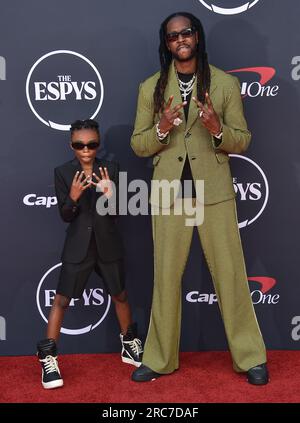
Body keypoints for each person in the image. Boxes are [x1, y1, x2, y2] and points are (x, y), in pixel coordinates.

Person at [130, 12, 269, 385]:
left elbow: (243, 139)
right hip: (169, 194)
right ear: (167, 44)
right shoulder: (152, 88)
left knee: (231, 276)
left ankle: (250, 356)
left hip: (214, 191)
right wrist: (160, 129)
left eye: (186, 32)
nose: (180, 39)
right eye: (173, 36)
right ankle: (159, 358)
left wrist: (217, 129)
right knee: (166, 278)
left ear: (197, 37)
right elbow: (139, 144)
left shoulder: (223, 84)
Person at [37, 119, 143, 389]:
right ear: (71, 145)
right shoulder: (62, 172)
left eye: (91, 144)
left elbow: (118, 213)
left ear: (98, 144)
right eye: (79, 145)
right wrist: (72, 197)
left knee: (120, 294)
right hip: (78, 247)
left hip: (108, 244)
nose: (86, 149)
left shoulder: (113, 169)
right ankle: (48, 359)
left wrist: (110, 195)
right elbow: (65, 215)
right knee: (61, 300)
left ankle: (129, 344)